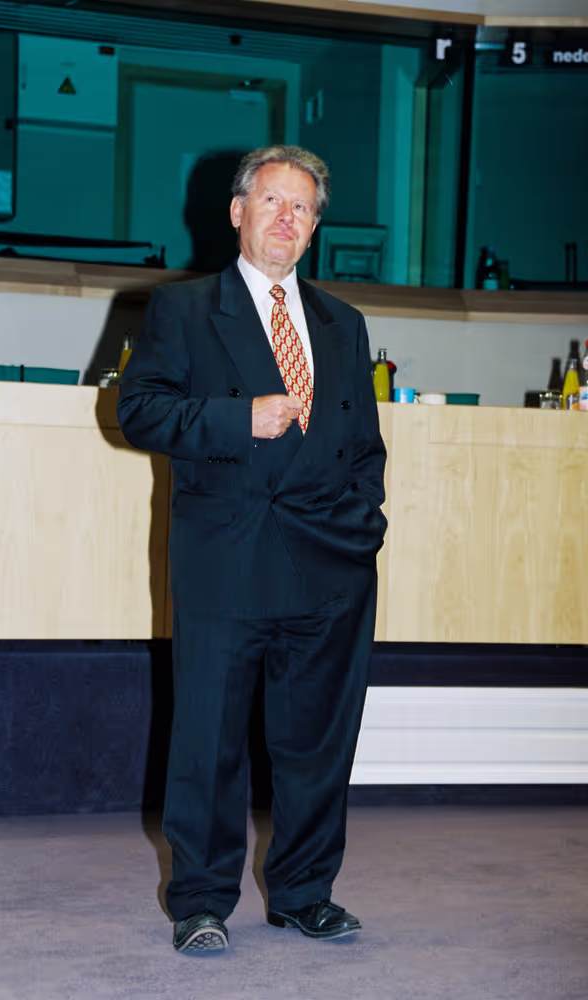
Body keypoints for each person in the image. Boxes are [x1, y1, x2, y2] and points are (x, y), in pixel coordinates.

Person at [118, 145, 387, 953]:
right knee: (208, 740)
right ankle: (200, 900)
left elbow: (366, 447)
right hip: (228, 560)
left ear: (313, 227)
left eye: (301, 207)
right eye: (271, 201)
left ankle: (305, 893)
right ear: (237, 212)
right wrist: (239, 419)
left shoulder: (344, 322)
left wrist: (365, 528)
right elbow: (140, 414)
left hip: (329, 565)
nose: (285, 218)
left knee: (315, 743)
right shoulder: (183, 310)